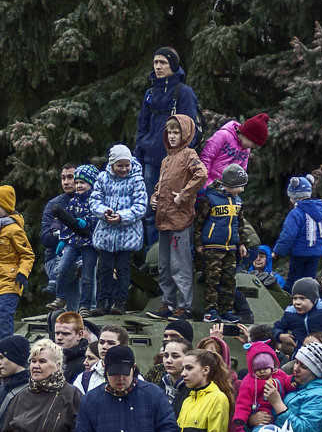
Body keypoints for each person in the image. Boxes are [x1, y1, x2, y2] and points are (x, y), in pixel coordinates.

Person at [136, 47, 200, 236]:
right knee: (150, 211)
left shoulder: (183, 92)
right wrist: (139, 153)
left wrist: (181, 158)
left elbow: (190, 128)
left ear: (172, 64)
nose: (158, 66)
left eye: (162, 62)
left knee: (174, 209)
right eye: (155, 62)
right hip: (151, 160)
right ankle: (154, 261)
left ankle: (177, 259)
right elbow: (142, 126)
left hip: (174, 163)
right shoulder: (150, 93)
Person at [148, 115, 208, 321]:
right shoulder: (166, 159)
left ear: (186, 134)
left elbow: (202, 174)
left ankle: (184, 306)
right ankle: (168, 303)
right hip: (163, 219)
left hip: (180, 220)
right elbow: (161, 185)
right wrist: (154, 198)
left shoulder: (189, 154)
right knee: (164, 264)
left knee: (179, 264)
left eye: (177, 133)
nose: (172, 137)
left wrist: (184, 194)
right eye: (170, 133)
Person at [90, 145, 149, 315]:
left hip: (127, 235)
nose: (123, 169)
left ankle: (120, 301)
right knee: (105, 269)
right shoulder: (102, 178)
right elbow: (94, 202)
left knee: (123, 269)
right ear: (112, 164)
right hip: (106, 234)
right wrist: (104, 212)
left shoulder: (137, 180)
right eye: (119, 166)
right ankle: (103, 302)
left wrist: (121, 216)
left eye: (126, 165)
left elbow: (140, 206)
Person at [198, 164, 258, 323]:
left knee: (229, 281)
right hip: (213, 247)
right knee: (213, 280)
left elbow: (239, 225)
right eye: (240, 186)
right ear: (230, 184)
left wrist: (241, 244)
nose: (242, 190)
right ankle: (210, 311)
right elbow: (199, 222)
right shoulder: (210, 198)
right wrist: (198, 243)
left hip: (231, 248)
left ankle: (226, 311)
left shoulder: (238, 201)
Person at [0, 185, 34, 345]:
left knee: (4, 315)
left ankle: (7, 351)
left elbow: (27, 254)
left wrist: (23, 273)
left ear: (7, 207)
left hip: (10, 280)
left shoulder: (14, 229)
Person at [48, 164, 99, 313]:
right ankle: (61, 297)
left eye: (82, 182)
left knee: (88, 277)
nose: (78, 185)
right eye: (77, 183)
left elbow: (100, 217)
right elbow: (66, 222)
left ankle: (85, 306)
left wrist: (88, 221)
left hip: (90, 244)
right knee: (62, 268)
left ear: (91, 183)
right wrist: (63, 239)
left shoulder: (96, 201)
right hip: (73, 242)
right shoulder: (73, 202)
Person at [272, 175, 322, 285]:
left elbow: (288, 235)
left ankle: (291, 301)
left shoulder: (296, 213)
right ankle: (309, 300)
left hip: (299, 252)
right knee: (309, 280)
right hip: (316, 252)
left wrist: (277, 252)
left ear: (294, 195)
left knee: (294, 280)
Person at [272, 277, 322, 350]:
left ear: (313, 299)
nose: (297, 302)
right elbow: (276, 328)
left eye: (302, 299)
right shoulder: (290, 314)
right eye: (294, 298)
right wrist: (280, 336)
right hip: (300, 356)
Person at [41, 163, 79, 298]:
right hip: (55, 258)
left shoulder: (92, 202)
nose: (66, 182)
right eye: (63, 178)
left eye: (70, 177)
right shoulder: (54, 205)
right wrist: (66, 232)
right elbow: (46, 239)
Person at [200, 114, 268, 184]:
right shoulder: (224, 135)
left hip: (226, 187)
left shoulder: (246, 149)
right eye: (254, 143)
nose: (253, 147)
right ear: (248, 135)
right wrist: (203, 181)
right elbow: (206, 157)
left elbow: (241, 171)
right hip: (209, 182)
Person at [53, 311, 90, 382]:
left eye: (65, 334)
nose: (59, 337)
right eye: (57, 333)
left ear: (80, 334)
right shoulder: (49, 357)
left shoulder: (86, 362)